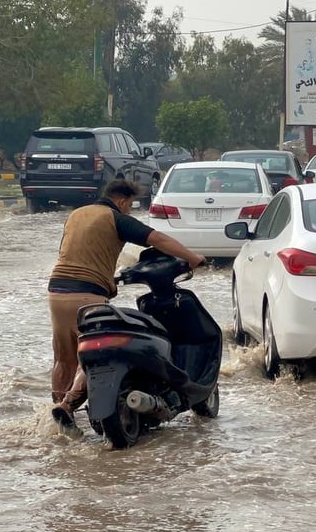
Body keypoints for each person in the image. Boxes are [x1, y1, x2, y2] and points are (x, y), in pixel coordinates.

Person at [48, 179, 206, 428]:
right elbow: (158, 239)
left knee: (63, 357)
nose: (129, 210)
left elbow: (76, 252)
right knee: (91, 356)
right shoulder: (115, 218)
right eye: (130, 205)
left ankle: (58, 409)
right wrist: (193, 257)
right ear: (122, 201)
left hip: (57, 290)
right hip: (88, 293)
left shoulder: (76, 215)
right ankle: (67, 406)